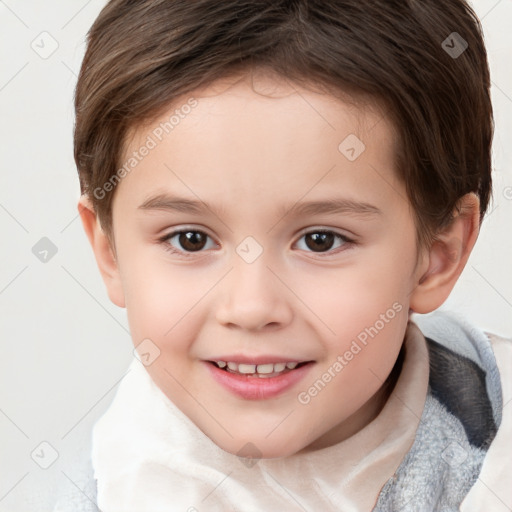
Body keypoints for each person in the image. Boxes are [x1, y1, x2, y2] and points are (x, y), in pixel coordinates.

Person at [53, 0, 511, 510]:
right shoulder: (113, 489)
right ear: (109, 251)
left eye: (321, 240)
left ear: (437, 256)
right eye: (190, 239)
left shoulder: (492, 445)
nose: (250, 307)